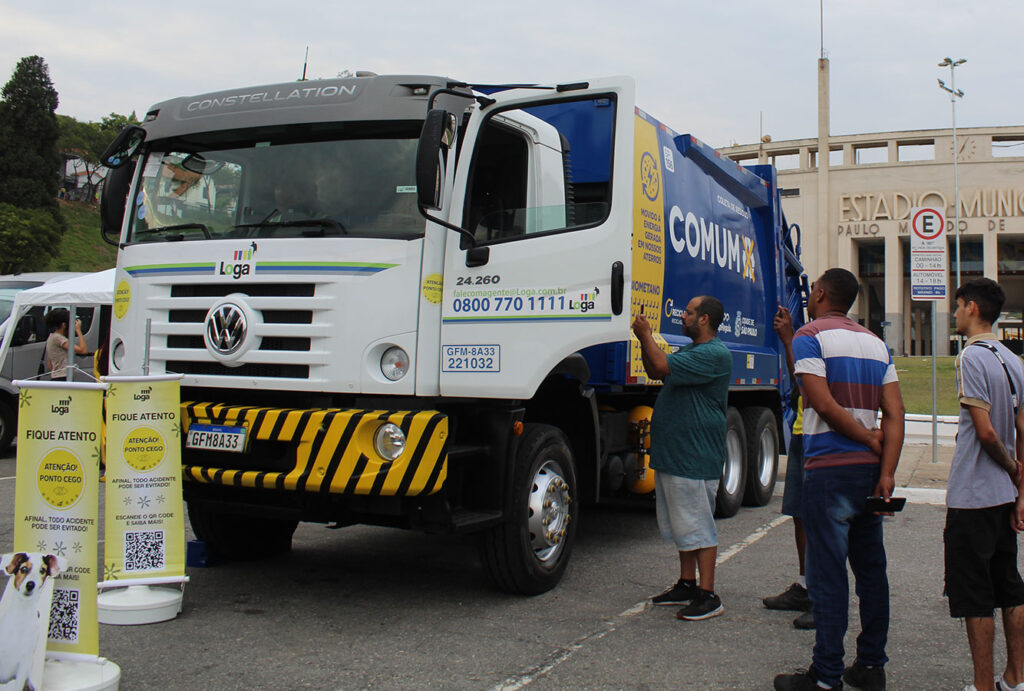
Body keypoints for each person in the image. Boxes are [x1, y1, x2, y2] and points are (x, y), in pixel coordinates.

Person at [774, 268, 905, 691]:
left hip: (829, 467)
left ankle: (826, 675)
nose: (809, 296)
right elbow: (896, 413)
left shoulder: (810, 336)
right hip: (869, 472)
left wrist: (865, 435)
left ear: (823, 293)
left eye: (812, 290)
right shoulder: (875, 343)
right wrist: (886, 470)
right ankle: (870, 666)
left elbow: (820, 402)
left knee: (828, 574)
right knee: (871, 571)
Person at [944, 278, 1024, 691]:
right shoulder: (1014, 360)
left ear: (972, 307)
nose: (954, 314)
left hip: (973, 494)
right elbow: (1021, 428)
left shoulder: (970, 358)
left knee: (974, 594)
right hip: (1003, 498)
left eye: (957, 307)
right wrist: (1020, 489)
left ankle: (982, 685)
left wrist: (1011, 467)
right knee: (1009, 585)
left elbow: (987, 433)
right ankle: (1014, 677)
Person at [632, 295, 732, 621]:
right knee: (683, 524)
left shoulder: (714, 354)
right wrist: (644, 341)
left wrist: (647, 335)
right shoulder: (690, 352)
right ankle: (688, 583)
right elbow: (655, 370)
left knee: (699, 524)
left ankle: (708, 594)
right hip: (677, 454)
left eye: (688, 312)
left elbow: (661, 365)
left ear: (704, 319)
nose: (683, 315)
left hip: (694, 455)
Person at [762, 305, 814, 630]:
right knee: (800, 515)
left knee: (815, 518)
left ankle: (821, 595)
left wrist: (787, 338)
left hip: (816, 438)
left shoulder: (818, 338)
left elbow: (803, 383)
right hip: (800, 433)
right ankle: (805, 585)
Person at [44, 309, 87, 380]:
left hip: (56, 375)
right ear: (63, 325)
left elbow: (50, 365)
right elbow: (83, 350)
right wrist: (78, 330)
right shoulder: (58, 338)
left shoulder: (51, 337)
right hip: (63, 376)